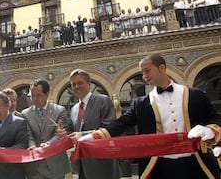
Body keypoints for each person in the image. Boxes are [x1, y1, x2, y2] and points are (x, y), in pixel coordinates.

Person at [71, 54, 221, 179]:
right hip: (160, 167)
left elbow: (215, 118)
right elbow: (121, 124)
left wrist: (210, 130)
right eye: (142, 72)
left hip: (197, 163)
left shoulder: (196, 95)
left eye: (147, 71)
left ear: (162, 68)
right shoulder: (141, 103)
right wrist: (92, 137)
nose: (144, 76)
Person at [68, 69, 121, 179]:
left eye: (80, 83)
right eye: (73, 84)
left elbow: (109, 130)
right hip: (83, 165)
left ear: (89, 84)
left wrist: (82, 135)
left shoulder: (103, 101)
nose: (77, 87)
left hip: (103, 163)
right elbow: (74, 132)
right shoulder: (74, 109)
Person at [21, 79, 72, 179]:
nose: (35, 99)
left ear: (47, 94)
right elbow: (28, 134)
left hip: (55, 164)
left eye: (38, 95)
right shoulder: (25, 114)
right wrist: (32, 146)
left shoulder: (59, 110)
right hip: (35, 166)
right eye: (32, 96)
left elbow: (60, 133)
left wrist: (49, 144)